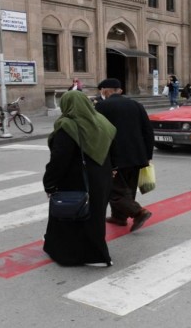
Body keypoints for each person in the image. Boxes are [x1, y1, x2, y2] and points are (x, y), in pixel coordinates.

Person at [42, 90, 117, 267]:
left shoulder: (68, 125)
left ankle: (80, 255)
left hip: (76, 179)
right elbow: (113, 146)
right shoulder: (101, 120)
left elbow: (59, 159)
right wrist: (113, 168)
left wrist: (49, 183)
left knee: (71, 215)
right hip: (102, 178)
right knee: (95, 217)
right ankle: (97, 255)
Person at [95, 78, 154, 232]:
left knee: (113, 191)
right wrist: (147, 155)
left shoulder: (101, 106)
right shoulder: (136, 105)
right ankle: (119, 218)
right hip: (137, 156)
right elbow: (148, 131)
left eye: (102, 90)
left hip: (115, 156)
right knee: (128, 188)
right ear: (119, 91)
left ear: (106, 91)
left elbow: (98, 133)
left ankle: (139, 212)